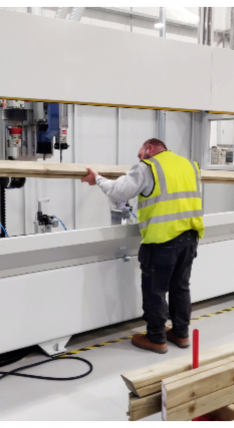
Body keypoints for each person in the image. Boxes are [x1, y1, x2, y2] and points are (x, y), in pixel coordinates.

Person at [81, 138, 203, 353]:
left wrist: (97, 179)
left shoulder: (148, 166)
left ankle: (156, 338)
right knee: (180, 287)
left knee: (156, 291)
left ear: (150, 149)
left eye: (140, 154)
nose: (139, 159)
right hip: (190, 237)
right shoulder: (190, 165)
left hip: (162, 239)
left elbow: (118, 191)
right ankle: (181, 334)